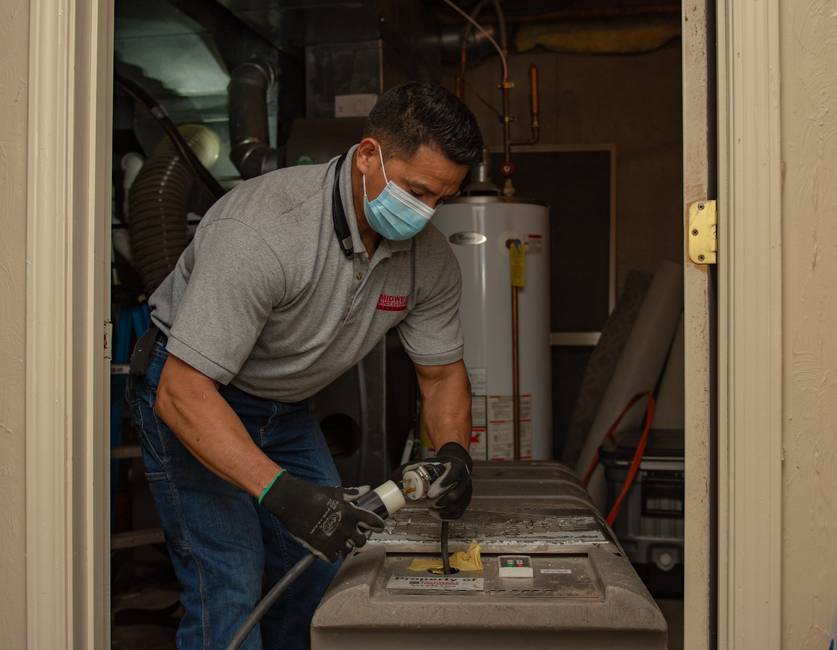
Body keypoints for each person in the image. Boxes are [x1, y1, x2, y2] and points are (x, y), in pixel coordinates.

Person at [126, 81, 484, 650]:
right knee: (230, 583)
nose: (426, 214)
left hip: (283, 410)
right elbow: (181, 392)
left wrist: (454, 453)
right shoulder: (264, 231)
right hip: (193, 393)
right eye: (417, 192)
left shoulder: (429, 262)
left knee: (322, 564)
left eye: (443, 198)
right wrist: (285, 496)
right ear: (368, 155)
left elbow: (440, 375)